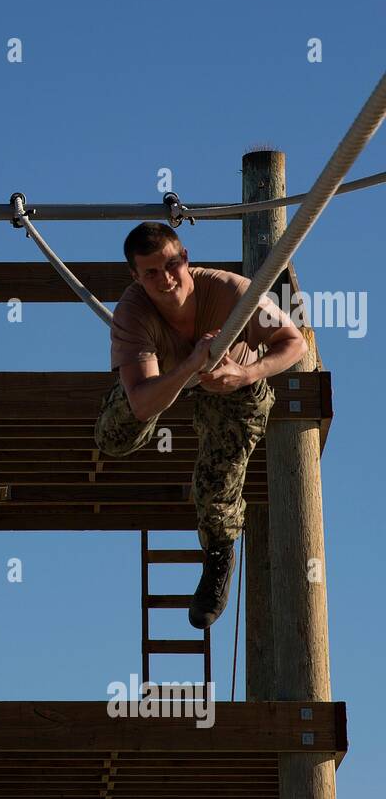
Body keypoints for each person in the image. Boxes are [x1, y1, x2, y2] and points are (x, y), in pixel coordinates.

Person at [96, 222, 306, 628]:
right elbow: (140, 402)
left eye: (172, 265)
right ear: (136, 278)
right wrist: (191, 365)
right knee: (113, 434)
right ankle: (192, 379)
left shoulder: (231, 291)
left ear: (186, 258)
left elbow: (293, 342)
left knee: (214, 487)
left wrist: (245, 375)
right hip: (170, 378)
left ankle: (218, 553)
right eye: (151, 273)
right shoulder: (133, 311)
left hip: (235, 384)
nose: (166, 279)